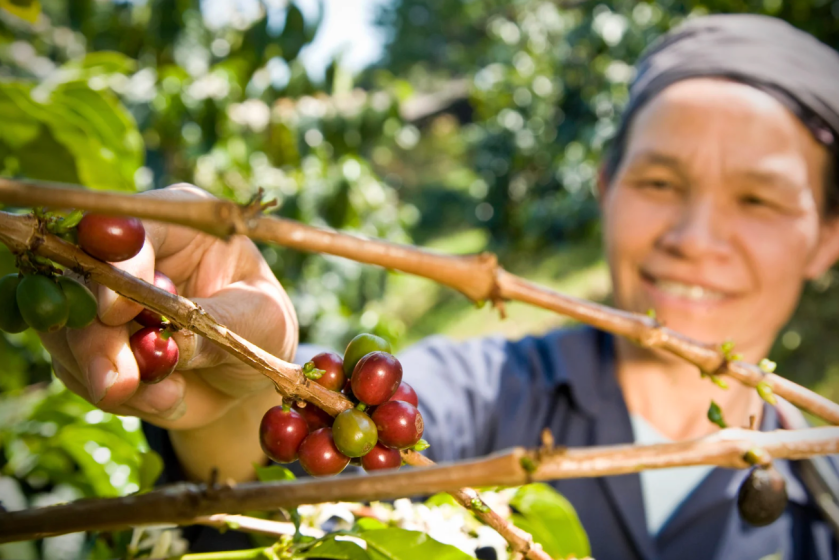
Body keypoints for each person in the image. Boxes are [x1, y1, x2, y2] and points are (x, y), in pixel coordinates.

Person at [40, 13, 839, 560]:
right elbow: (280, 483)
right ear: (605, 189)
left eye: (758, 198)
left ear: (827, 237)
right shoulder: (483, 396)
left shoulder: (825, 495)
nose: (695, 238)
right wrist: (238, 384)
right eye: (660, 182)